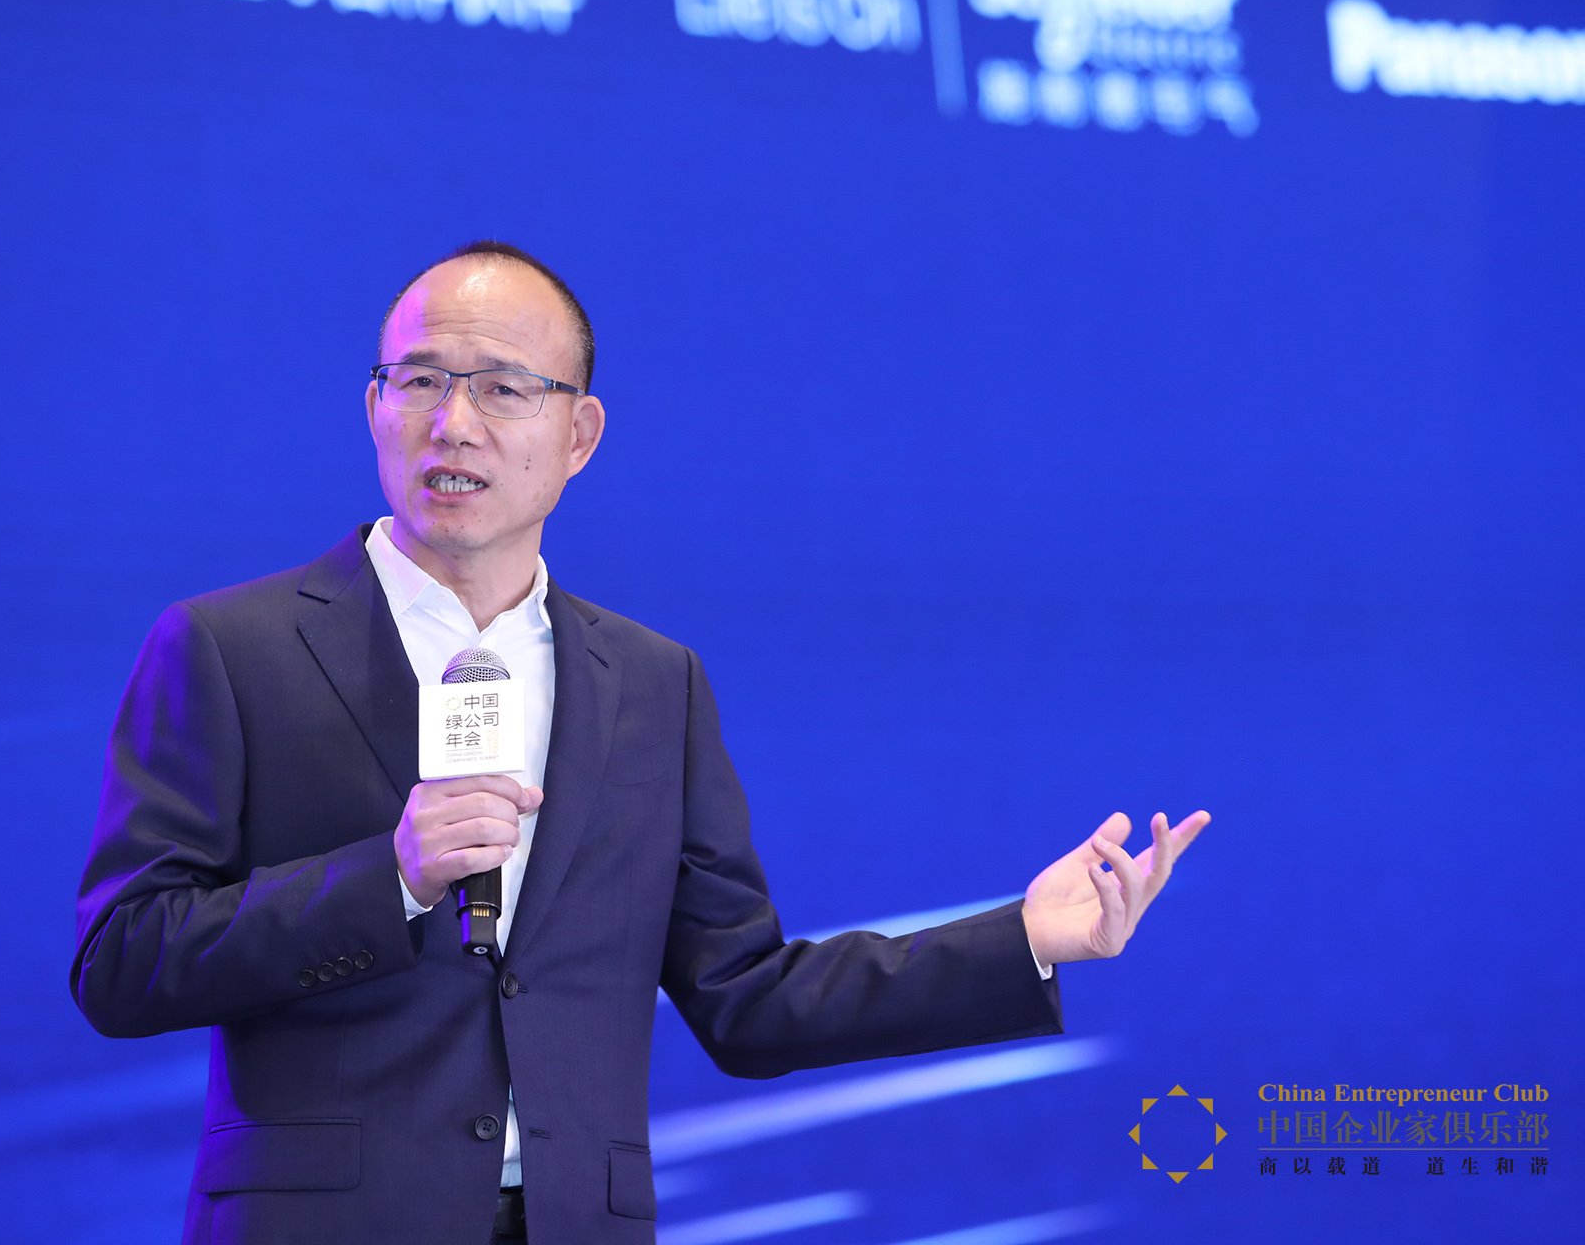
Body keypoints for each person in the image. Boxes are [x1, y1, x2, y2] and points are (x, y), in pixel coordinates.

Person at [71, 241, 1211, 1244]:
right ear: (373, 405)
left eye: (502, 387)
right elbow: (122, 960)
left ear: (579, 434)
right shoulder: (231, 647)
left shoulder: (652, 684)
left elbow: (747, 998)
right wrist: (392, 880)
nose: (452, 422)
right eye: (419, 380)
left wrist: (1022, 939)